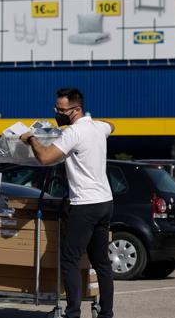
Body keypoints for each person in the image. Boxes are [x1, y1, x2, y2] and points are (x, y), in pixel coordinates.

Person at [20, 88, 114, 318]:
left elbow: (44, 158)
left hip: (84, 205)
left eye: (61, 110)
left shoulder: (73, 133)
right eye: (56, 108)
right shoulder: (97, 128)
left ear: (76, 109)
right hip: (105, 202)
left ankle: (72, 313)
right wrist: (94, 121)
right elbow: (112, 125)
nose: (57, 113)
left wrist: (31, 138)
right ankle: (107, 313)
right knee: (101, 262)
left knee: (69, 260)